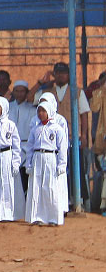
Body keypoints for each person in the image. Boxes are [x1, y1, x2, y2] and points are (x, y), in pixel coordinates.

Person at [35, 62, 91, 204]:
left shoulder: (78, 92)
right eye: (58, 73)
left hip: (73, 137)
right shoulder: (47, 92)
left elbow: (84, 114)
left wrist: (84, 135)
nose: (61, 75)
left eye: (63, 73)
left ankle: (76, 200)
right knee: (56, 170)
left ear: (69, 74)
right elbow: (31, 98)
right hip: (51, 140)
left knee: (75, 169)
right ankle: (58, 199)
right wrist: (41, 83)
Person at [24, 100, 68, 226]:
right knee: (37, 187)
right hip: (38, 158)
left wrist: (62, 164)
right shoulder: (35, 129)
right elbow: (30, 147)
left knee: (50, 187)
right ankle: (37, 216)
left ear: (49, 111)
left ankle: (53, 218)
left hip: (50, 158)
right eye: (39, 111)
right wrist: (29, 163)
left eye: (43, 111)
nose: (41, 113)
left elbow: (62, 148)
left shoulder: (57, 129)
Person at [0, 97, 23, 222]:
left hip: (6, 155)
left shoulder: (10, 125)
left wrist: (16, 162)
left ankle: (8, 214)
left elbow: (16, 146)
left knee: (6, 184)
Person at [7, 80, 36, 192]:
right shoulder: (8, 107)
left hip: (26, 146)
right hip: (11, 147)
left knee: (26, 180)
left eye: (22, 91)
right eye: (17, 91)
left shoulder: (32, 109)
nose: (19, 94)